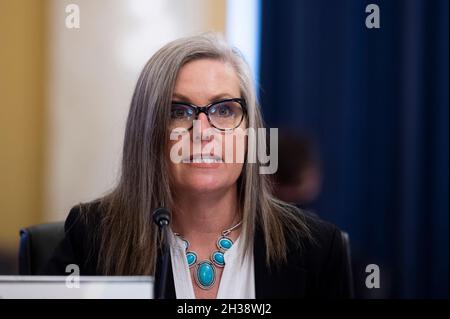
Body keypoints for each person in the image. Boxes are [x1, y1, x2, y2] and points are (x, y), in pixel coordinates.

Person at [43, 33, 352, 299]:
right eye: (179, 111)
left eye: (225, 109)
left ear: (249, 133)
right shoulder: (89, 238)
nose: (203, 133)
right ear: (148, 134)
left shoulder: (318, 250)